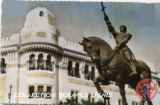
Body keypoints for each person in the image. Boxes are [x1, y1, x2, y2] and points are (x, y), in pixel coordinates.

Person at [100, 2, 137, 77]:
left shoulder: (127, 35)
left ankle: (134, 70)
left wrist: (120, 44)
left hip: (124, 49)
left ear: (125, 29)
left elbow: (125, 40)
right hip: (117, 49)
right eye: (120, 27)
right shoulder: (117, 34)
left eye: (122, 27)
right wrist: (105, 16)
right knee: (110, 58)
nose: (121, 28)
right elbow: (110, 26)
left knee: (129, 58)